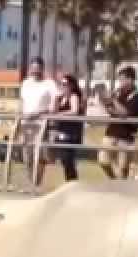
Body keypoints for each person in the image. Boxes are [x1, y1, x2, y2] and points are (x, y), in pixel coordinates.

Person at [97, 66, 138, 179]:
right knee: (103, 161)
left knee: (122, 168)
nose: (120, 83)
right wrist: (105, 100)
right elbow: (111, 111)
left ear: (130, 80)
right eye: (119, 79)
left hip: (125, 137)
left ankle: (120, 187)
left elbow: (125, 113)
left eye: (122, 79)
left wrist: (114, 101)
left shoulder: (137, 96)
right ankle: (113, 180)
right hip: (111, 133)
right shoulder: (118, 94)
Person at [20, 57, 59, 187]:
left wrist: (38, 113)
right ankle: (32, 182)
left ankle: (36, 184)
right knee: (27, 157)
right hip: (26, 124)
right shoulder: (26, 83)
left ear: (42, 69)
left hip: (42, 125)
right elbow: (22, 103)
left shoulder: (50, 84)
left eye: (38, 69)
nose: (35, 72)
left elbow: (53, 107)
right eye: (33, 69)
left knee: (40, 156)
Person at [49, 73, 85, 183]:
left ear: (72, 85)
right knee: (64, 160)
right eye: (62, 84)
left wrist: (60, 114)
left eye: (66, 84)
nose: (63, 86)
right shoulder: (61, 98)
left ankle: (72, 182)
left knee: (68, 159)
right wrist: (55, 99)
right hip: (61, 132)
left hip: (71, 133)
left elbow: (74, 111)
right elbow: (52, 111)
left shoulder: (74, 96)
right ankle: (70, 181)